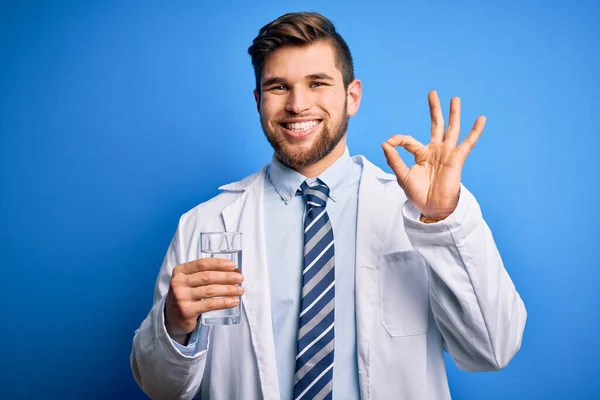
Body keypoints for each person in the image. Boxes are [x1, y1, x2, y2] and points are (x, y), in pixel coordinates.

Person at [130, 11, 527, 400]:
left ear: (351, 96)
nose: (298, 105)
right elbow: (161, 387)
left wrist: (442, 220)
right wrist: (174, 324)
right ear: (258, 100)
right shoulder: (203, 224)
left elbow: (493, 349)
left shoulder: (416, 209)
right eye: (278, 87)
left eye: (317, 83)